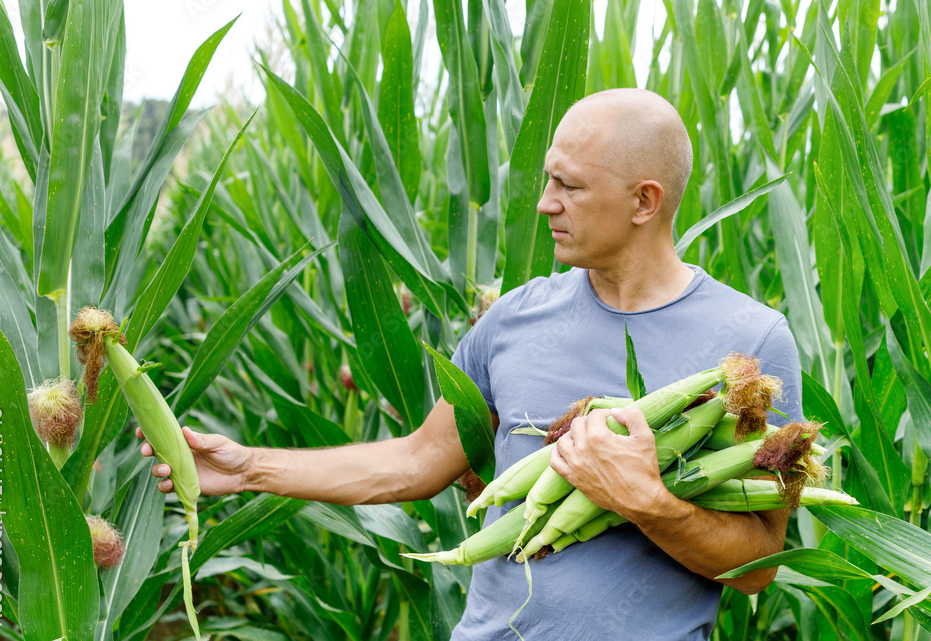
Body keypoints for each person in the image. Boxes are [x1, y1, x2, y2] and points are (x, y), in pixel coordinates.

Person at [138, 88, 803, 640]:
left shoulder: (748, 347)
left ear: (643, 201)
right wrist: (246, 465)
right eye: (548, 179)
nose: (545, 202)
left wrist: (646, 502)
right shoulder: (512, 320)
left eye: (568, 186)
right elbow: (414, 462)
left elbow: (758, 563)